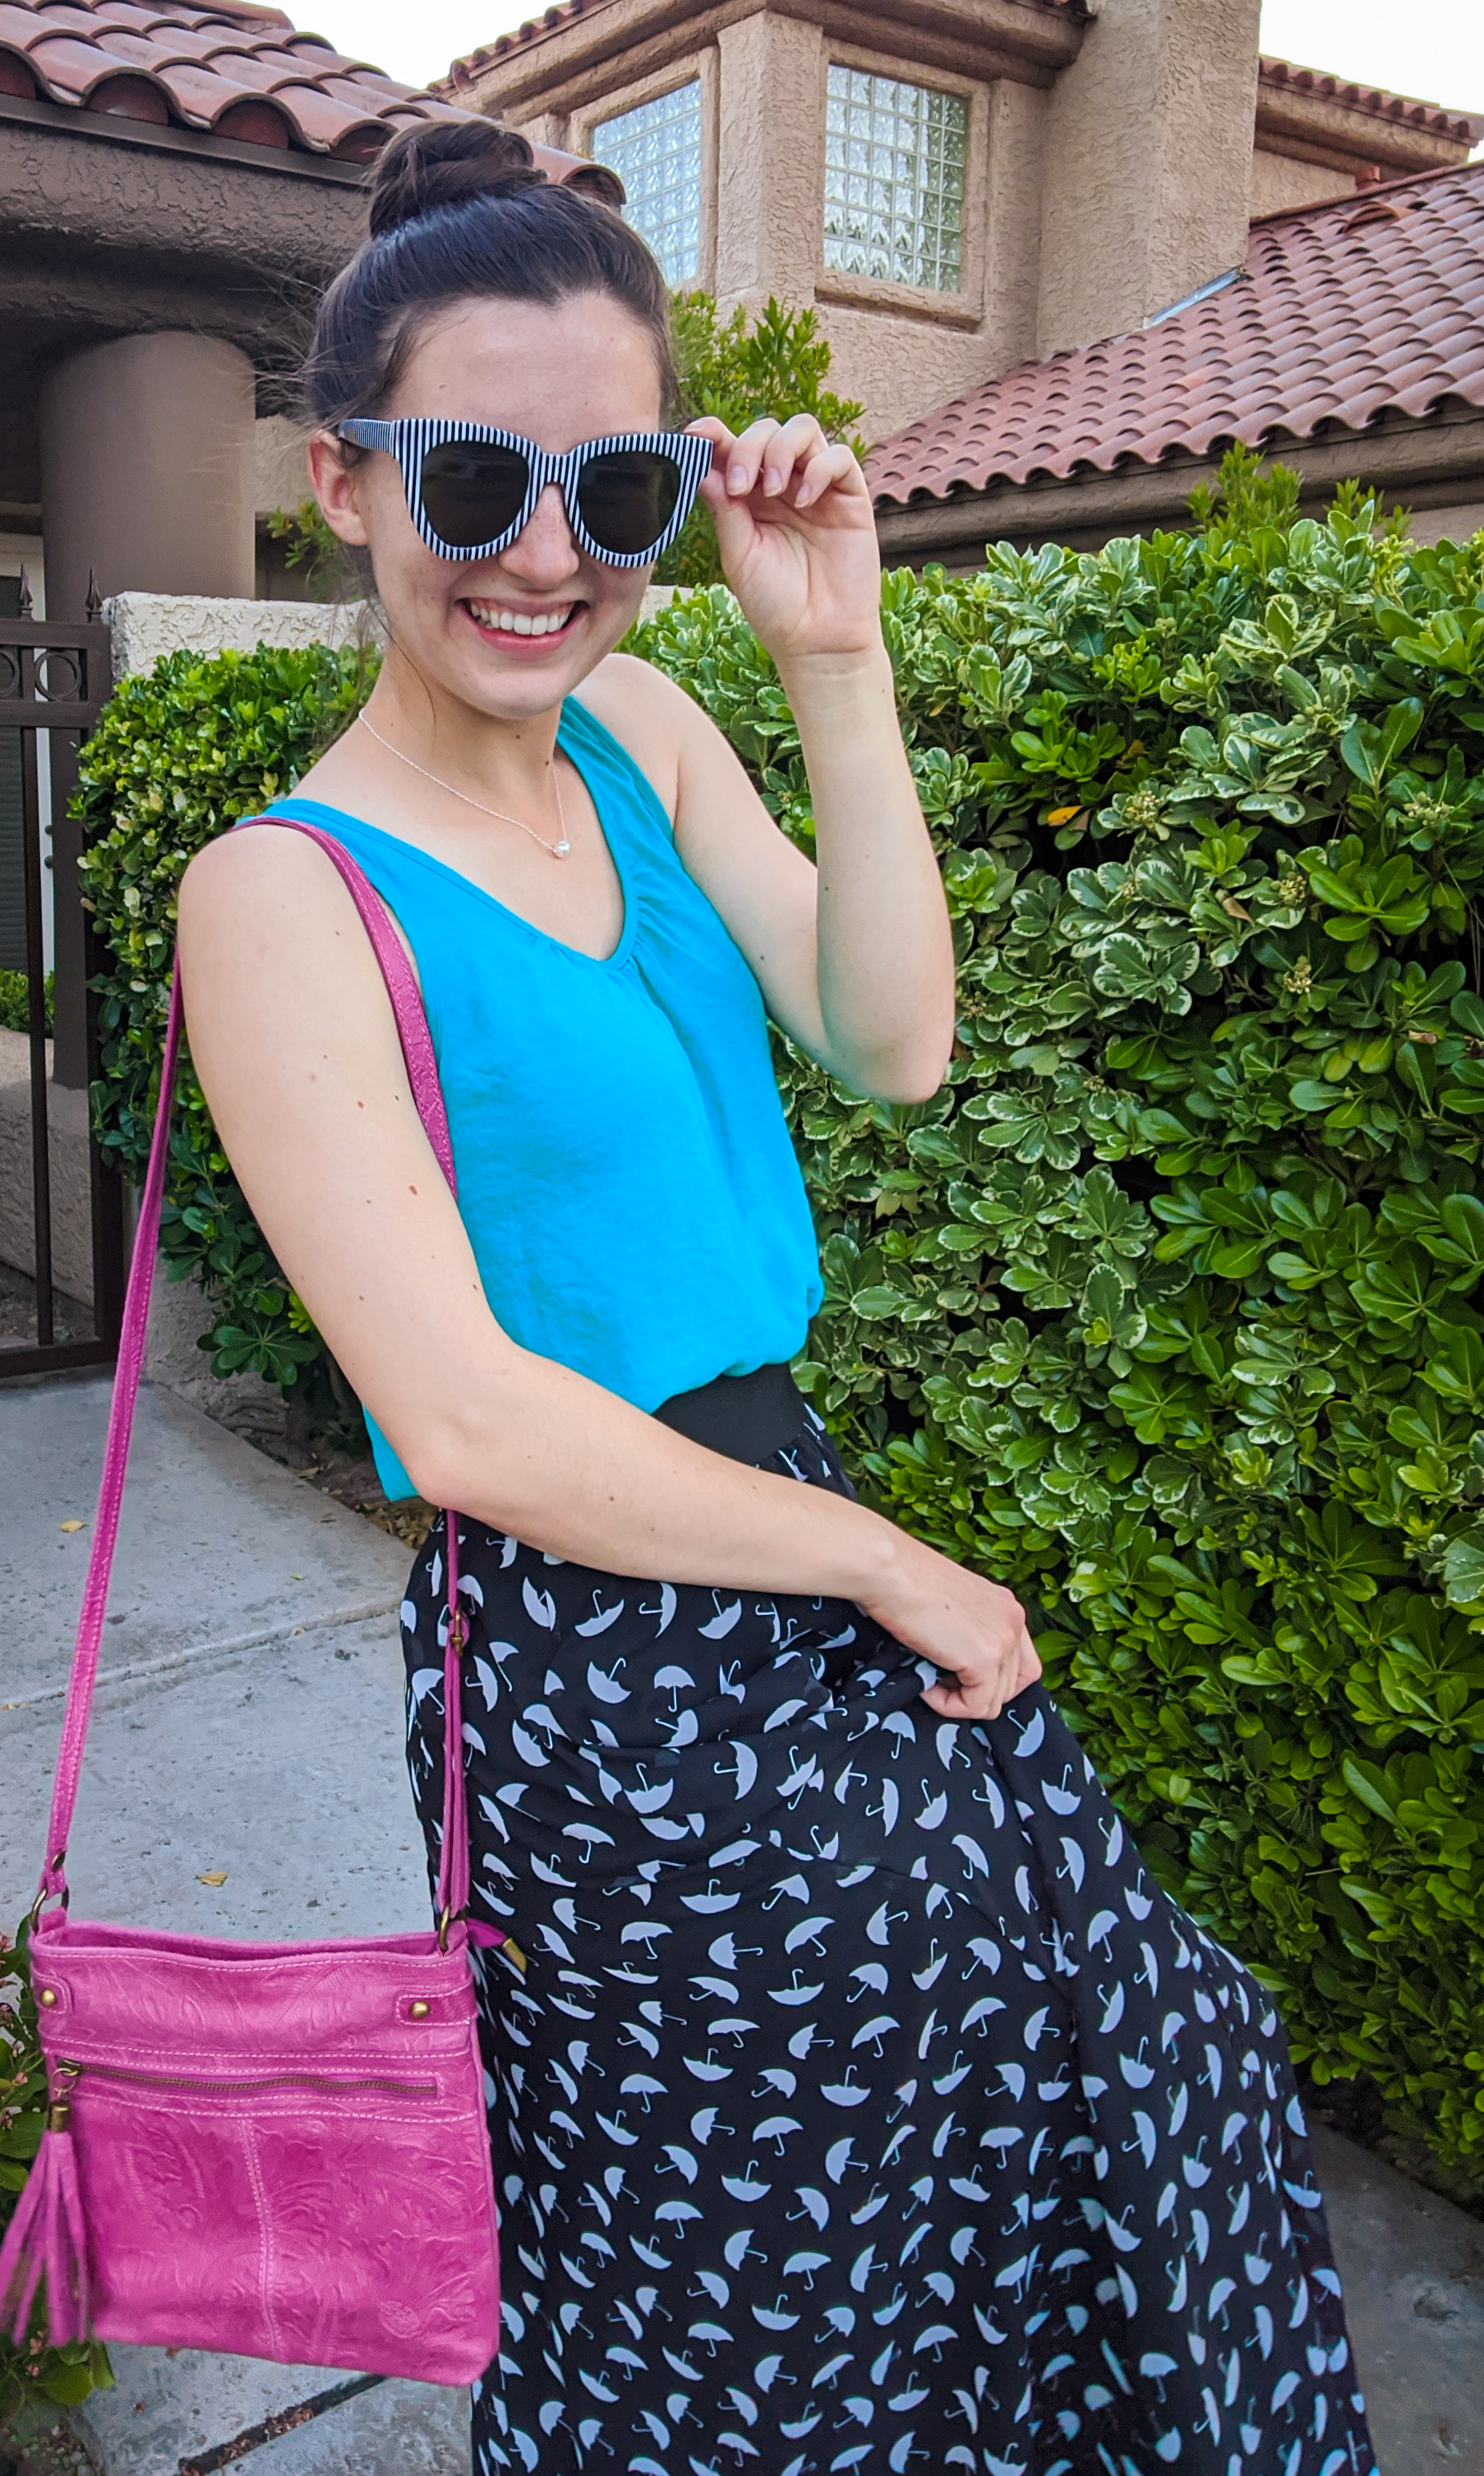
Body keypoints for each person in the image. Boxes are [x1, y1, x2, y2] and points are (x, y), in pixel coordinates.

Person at [175, 118, 1371, 2476]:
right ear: (341, 479)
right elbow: (479, 1421)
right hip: (600, 1660)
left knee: (1123, 2102)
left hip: (789, 1544)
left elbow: (894, 1041)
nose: (546, 558)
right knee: (750, 2287)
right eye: (473, 481)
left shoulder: (640, 731)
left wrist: (837, 656)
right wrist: (886, 1559)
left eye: (615, 497)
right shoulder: (280, 894)